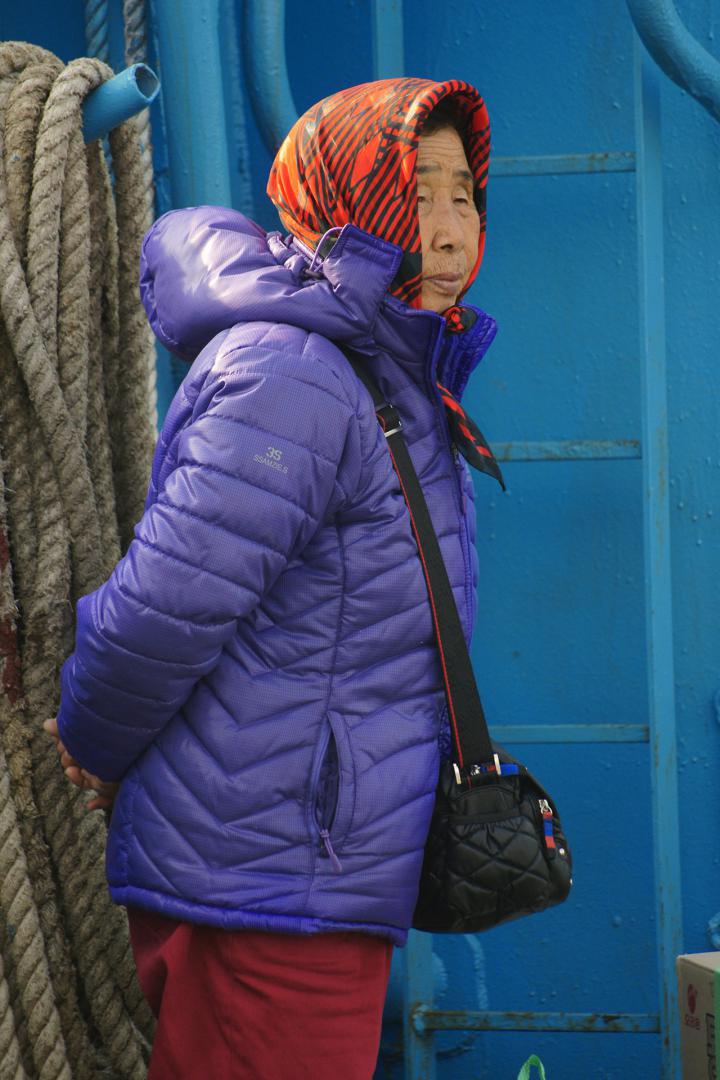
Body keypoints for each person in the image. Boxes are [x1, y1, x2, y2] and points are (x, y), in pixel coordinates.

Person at [45, 77, 499, 1079]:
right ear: (346, 203)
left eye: (463, 195)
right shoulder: (297, 372)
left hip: (300, 872)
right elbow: (166, 604)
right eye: (415, 191)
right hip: (269, 887)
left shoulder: (384, 373)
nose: (448, 225)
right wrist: (94, 742)